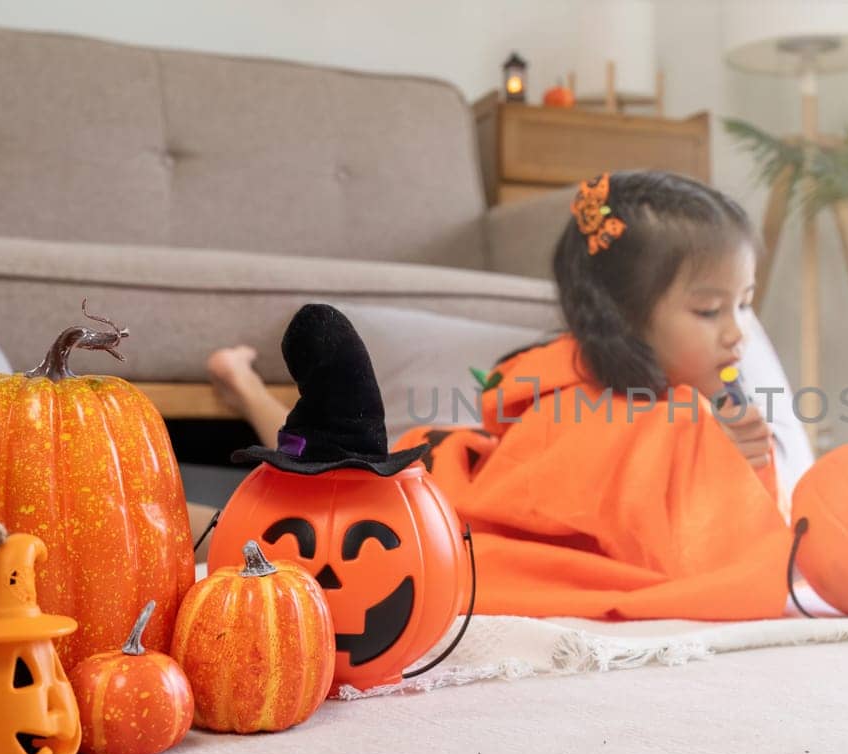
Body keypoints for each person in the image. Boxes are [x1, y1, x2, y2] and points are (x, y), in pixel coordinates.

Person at [207, 171, 791, 620]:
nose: (737, 330)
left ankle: (243, 388)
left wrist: (717, 454)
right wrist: (700, 449)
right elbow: (542, 507)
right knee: (309, 482)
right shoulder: (579, 400)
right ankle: (245, 384)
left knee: (310, 479)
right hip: (423, 494)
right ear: (626, 318)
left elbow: (719, 534)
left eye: (745, 303)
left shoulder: (690, 404)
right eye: (710, 310)